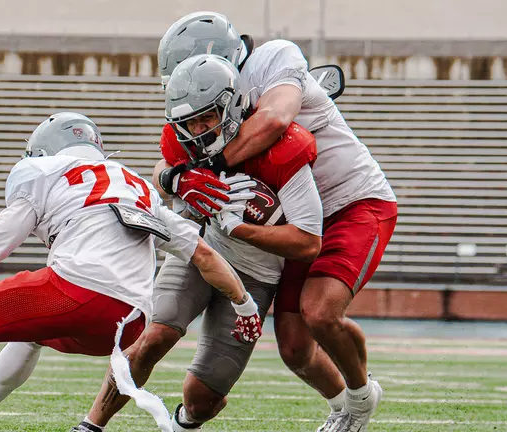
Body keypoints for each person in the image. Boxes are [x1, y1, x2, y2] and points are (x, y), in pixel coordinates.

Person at [0, 56, 323, 432]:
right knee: (154, 335)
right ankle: (92, 424)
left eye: (209, 116)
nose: (200, 130)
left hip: (256, 271)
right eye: (191, 121)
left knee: (201, 398)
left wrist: (240, 231)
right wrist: (174, 179)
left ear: (233, 105)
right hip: (200, 251)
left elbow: (307, 242)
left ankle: (188, 419)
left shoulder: (285, 148)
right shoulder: (180, 142)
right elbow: (162, 185)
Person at [0, 112, 263, 432]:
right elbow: (205, 256)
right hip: (131, 321)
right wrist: (245, 308)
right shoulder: (138, 186)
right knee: (32, 334)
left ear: (43, 150)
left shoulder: (45, 174)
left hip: (74, 291)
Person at [154, 12, 398, 432]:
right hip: (295, 215)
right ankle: (346, 398)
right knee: (294, 346)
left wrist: (205, 168)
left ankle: (359, 401)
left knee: (320, 312)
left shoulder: (273, 59)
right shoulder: (211, 107)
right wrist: (172, 175)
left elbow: (275, 119)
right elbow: (169, 164)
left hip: (351, 203)